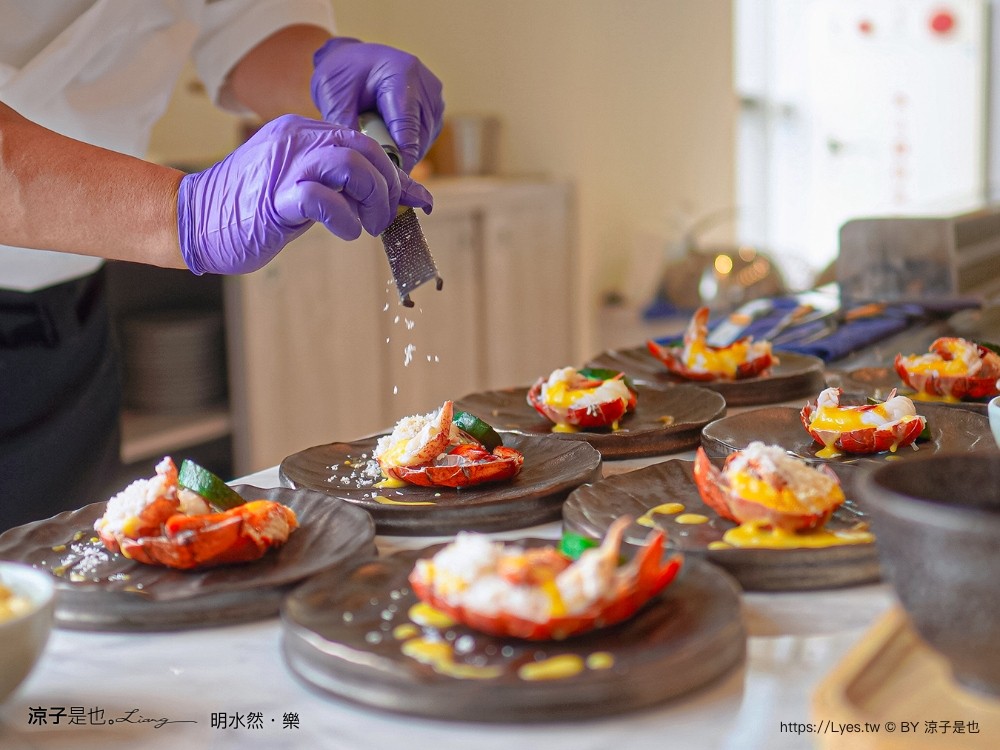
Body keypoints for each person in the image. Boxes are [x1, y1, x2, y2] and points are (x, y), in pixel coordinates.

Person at [0, 1, 445, 531]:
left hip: (69, 306)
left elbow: (246, 26)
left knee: (58, 571)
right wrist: (188, 211)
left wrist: (329, 73)